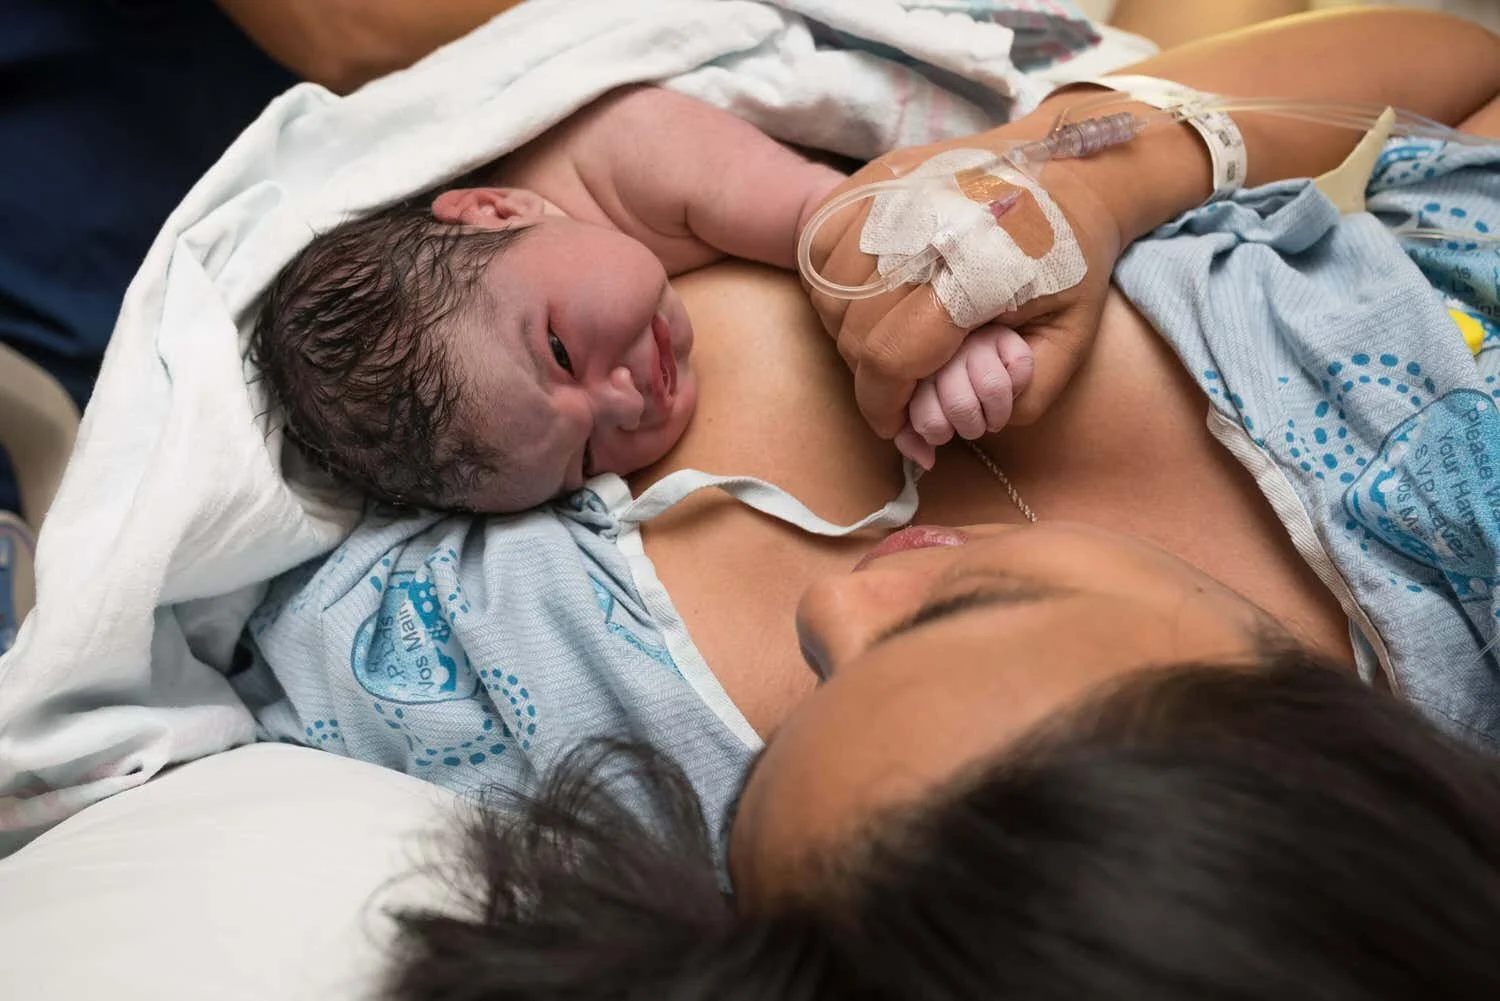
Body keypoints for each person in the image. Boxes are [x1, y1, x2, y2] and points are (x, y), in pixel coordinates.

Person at [239, 0, 1499, 900]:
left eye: (812, 710)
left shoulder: (511, 680)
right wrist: (1096, 168)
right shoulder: (1456, 464)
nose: (839, 595)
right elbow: (1459, 58)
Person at [252, 85, 1035, 512]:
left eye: (559, 352)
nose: (624, 403)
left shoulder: (630, 157)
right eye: (586, 457)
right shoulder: (550, 285)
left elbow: (847, 221)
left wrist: (944, 325)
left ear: (497, 210)